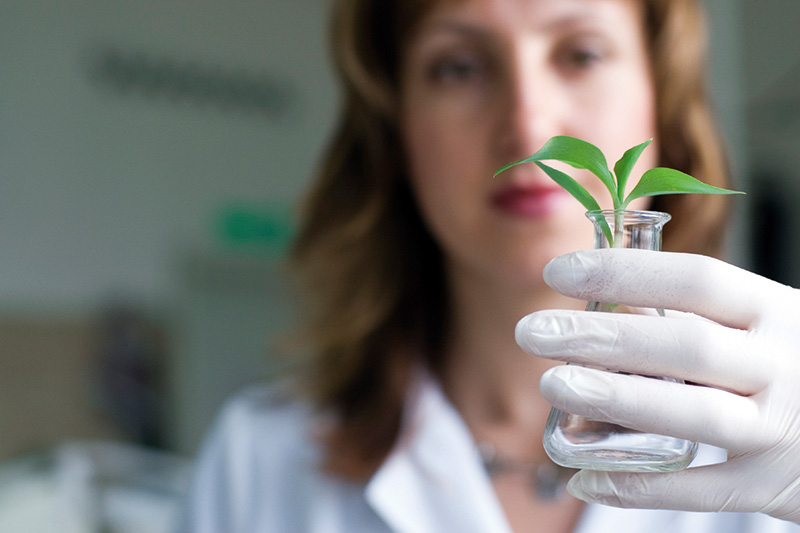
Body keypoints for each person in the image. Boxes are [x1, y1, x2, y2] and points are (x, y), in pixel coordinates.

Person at [177, 0, 800, 531]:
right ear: (396, 132)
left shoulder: (774, 444)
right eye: (459, 67)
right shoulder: (258, 464)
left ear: (663, 108)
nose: (528, 128)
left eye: (581, 53)